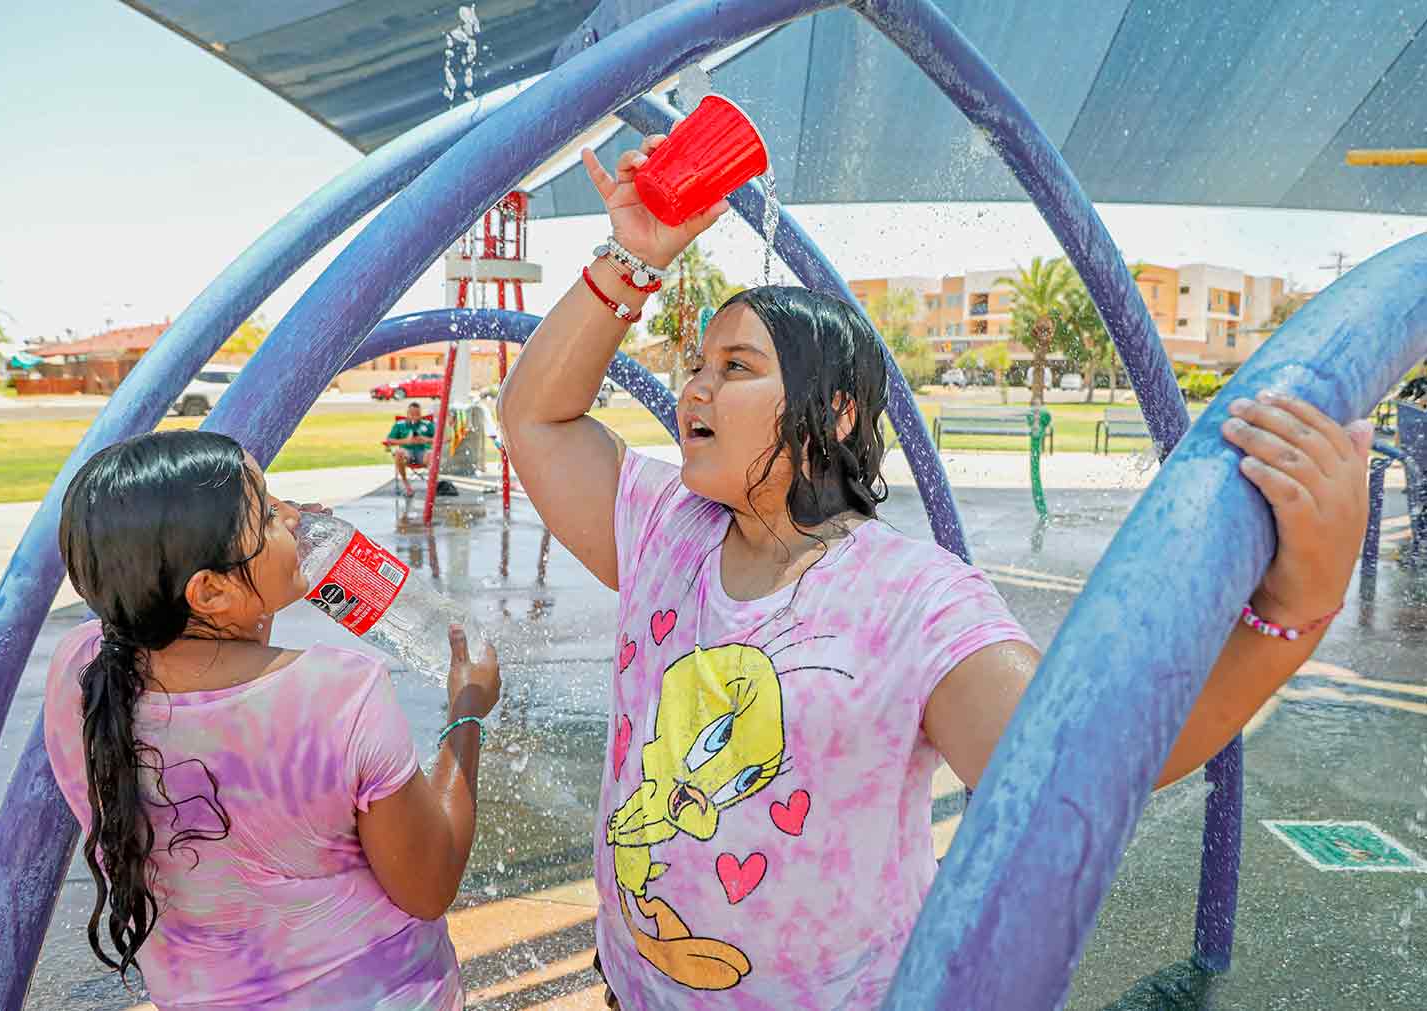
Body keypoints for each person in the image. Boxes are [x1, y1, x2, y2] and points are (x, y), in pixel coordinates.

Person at [497, 135, 1374, 1010]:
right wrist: (633, 261)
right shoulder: (666, 532)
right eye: (697, 365)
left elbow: (1068, 759)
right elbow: (535, 415)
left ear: (833, 413)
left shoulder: (907, 599)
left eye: (736, 368)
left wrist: (1295, 609)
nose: (693, 388)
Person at [44, 429, 500, 1009]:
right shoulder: (341, 694)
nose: (291, 516)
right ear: (208, 591)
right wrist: (467, 714)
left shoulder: (80, 674)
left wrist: (263, 581)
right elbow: (429, 884)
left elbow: (217, 667)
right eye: (264, 515)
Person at [387, 401, 437, 496]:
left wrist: (425, 439)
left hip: (423, 454)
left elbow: (440, 439)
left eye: (417, 414)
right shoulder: (400, 424)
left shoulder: (427, 424)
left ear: (421, 414)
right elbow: (389, 440)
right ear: (407, 414)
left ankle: (432, 487)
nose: (414, 417)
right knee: (399, 452)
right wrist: (406, 441)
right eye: (411, 414)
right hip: (407, 454)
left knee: (431, 454)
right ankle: (407, 485)